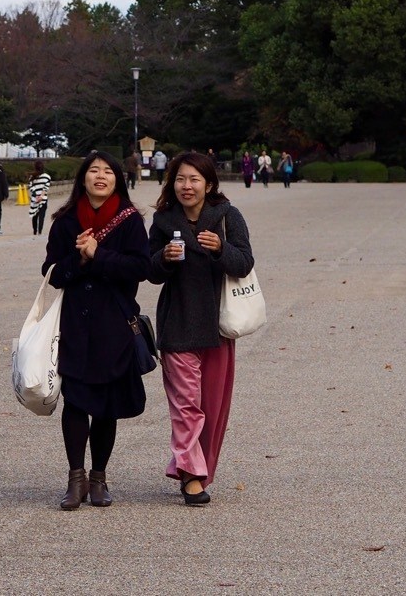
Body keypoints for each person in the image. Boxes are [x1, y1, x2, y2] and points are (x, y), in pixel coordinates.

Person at [41, 150, 150, 510]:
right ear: (83, 178)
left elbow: (139, 268)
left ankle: (99, 477)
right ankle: (76, 478)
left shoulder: (131, 221)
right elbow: (52, 273)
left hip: (113, 325)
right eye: (93, 171)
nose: (100, 176)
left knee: (105, 405)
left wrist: (99, 254)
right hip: (74, 323)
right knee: (75, 401)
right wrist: (80, 258)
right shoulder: (65, 220)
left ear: (118, 179)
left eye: (108, 171)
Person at [147, 151, 255, 505]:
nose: (186, 186)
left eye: (194, 180)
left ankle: (199, 466)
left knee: (211, 405)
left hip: (217, 326)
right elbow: (150, 272)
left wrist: (221, 248)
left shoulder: (227, 217)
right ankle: (192, 475)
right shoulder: (163, 220)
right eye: (180, 179)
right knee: (186, 405)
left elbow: (244, 262)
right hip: (177, 323)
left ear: (209, 184)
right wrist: (164, 259)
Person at [28, 160, 52, 236]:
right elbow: (46, 188)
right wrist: (41, 196)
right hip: (43, 199)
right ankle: (40, 231)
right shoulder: (47, 177)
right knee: (42, 215)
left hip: (34, 199)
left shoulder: (32, 177)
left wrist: (36, 196)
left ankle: (34, 230)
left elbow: (31, 188)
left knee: (34, 215)